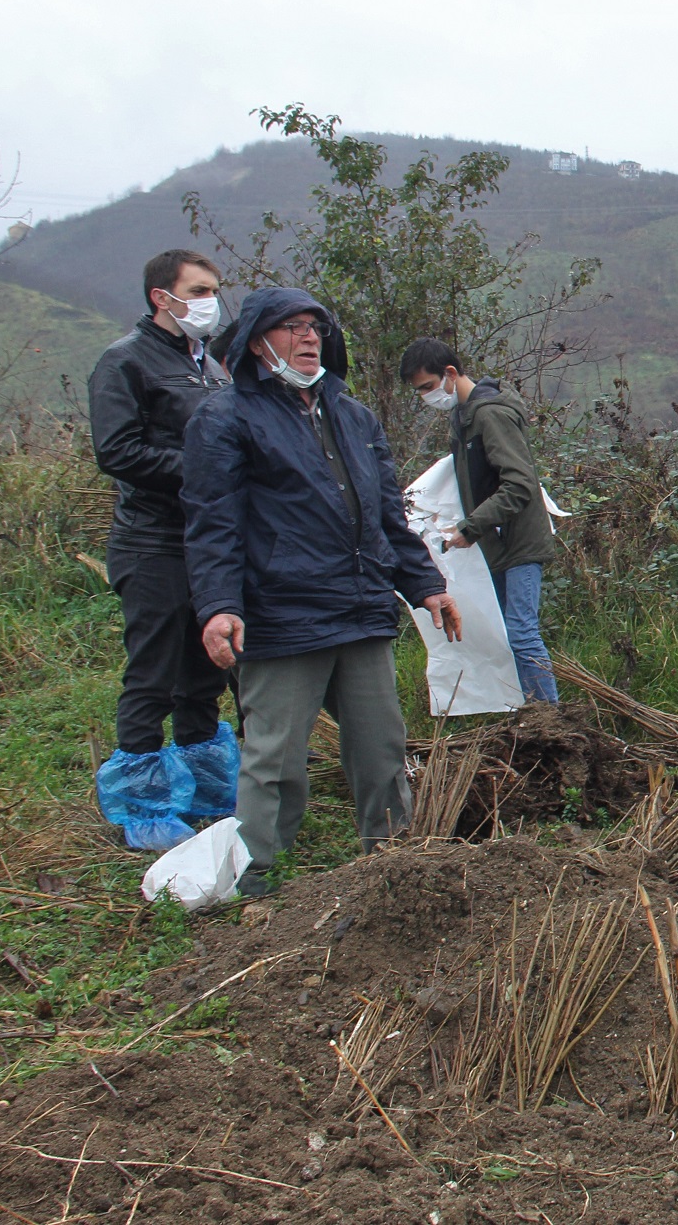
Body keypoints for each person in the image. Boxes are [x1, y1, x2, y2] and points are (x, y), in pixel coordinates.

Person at [183, 288, 462, 898]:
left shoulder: (354, 417)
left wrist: (424, 586)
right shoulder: (225, 417)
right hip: (282, 613)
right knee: (275, 757)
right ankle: (256, 883)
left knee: (381, 750)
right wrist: (220, 606)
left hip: (360, 610)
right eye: (291, 328)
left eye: (315, 327)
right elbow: (213, 523)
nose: (309, 338)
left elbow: (389, 515)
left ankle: (393, 873)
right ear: (258, 339)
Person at [87, 249, 237, 848]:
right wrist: (201, 469)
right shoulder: (124, 362)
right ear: (161, 296)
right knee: (152, 672)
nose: (210, 301)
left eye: (214, 290)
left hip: (209, 544)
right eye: (198, 290)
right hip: (152, 542)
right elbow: (117, 452)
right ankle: (144, 804)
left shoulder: (214, 369)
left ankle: (203, 791)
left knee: (205, 671)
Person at [398, 338, 559, 704]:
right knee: (509, 634)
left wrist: (470, 528)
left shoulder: (489, 414)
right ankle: (534, 716)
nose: (426, 397)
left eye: (427, 387)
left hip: (519, 540)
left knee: (521, 633)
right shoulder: (464, 417)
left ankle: (552, 719)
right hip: (498, 542)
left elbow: (519, 484)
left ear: (450, 374)